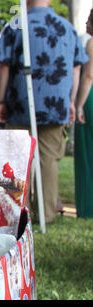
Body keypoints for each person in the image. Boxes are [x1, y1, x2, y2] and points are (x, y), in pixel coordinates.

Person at [0, 0, 89, 224]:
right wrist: (71, 101)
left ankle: (18, 214)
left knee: (17, 159)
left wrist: (0, 100)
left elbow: (3, 66)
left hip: (21, 103)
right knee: (48, 160)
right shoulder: (67, 27)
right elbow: (76, 67)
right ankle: (46, 214)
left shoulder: (17, 24)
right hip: (56, 104)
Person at [74, 9, 93, 219]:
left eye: (89, 19)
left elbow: (88, 76)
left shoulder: (91, 43)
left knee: (87, 154)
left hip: (91, 99)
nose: (86, 23)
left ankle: (88, 207)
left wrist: (79, 105)